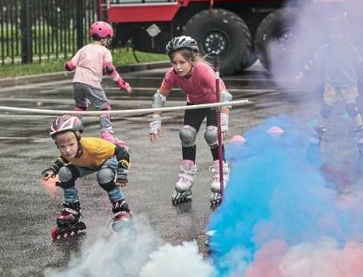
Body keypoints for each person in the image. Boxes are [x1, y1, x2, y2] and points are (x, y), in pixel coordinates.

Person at [148, 36, 232, 205]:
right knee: (186, 134)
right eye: (174, 63)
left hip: (213, 102)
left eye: (182, 62)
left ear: (192, 60)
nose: (178, 67)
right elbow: (160, 97)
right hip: (194, 104)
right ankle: (186, 176)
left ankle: (220, 172)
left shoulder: (204, 71)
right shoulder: (172, 75)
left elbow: (224, 96)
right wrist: (156, 121)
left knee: (212, 135)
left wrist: (223, 120)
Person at [41, 114, 132, 239]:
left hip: (107, 161)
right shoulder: (68, 150)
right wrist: (53, 170)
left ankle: (121, 209)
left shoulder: (94, 146)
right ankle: (71, 209)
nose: (67, 150)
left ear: (78, 139)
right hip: (88, 164)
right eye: (62, 146)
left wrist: (122, 173)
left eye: (71, 145)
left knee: (104, 176)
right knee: (64, 172)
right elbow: (63, 158)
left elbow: (121, 151)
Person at [295, 15, 363, 155]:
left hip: (348, 83)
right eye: (332, 33)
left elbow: (362, 63)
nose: (334, 36)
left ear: (345, 34)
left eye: (338, 33)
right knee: (326, 109)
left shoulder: (351, 48)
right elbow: (312, 61)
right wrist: (302, 74)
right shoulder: (326, 49)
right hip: (332, 84)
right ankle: (318, 133)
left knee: (351, 107)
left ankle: (362, 131)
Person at [64, 21, 132, 147]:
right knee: (104, 108)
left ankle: (74, 130)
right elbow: (110, 70)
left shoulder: (83, 49)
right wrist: (122, 84)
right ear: (104, 38)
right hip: (92, 83)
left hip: (77, 82)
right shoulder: (104, 51)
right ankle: (107, 134)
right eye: (108, 38)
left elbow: (70, 65)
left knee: (81, 107)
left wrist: (67, 66)